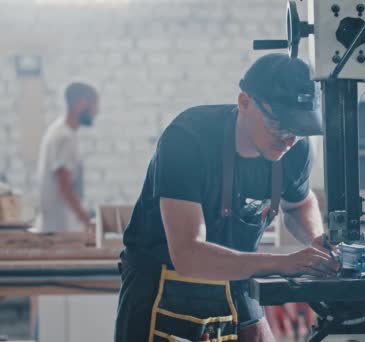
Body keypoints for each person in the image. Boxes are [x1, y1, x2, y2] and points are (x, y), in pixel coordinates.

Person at [114, 53, 339, 342]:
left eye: (297, 128)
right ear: (244, 103)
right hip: (164, 284)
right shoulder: (188, 139)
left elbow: (299, 203)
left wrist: (316, 242)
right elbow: (188, 254)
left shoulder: (295, 149)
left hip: (236, 278)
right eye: (279, 124)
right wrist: (284, 262)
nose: (288, 138)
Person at [32, 82, 98, 233]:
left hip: (56, 225)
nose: (96, 111)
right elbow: (65, 186)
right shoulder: (64, 136)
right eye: (94, 105)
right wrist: (88, 222)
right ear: (81, 104)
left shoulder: (59, 132)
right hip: (60, 227)